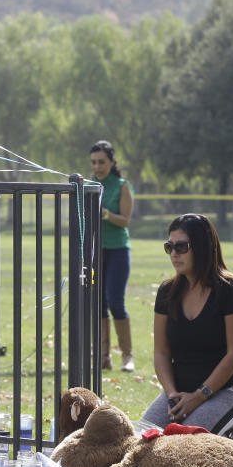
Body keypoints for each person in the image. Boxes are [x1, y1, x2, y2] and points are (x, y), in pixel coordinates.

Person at [141, 213, 233, 451]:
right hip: (179, 392)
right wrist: (173, 394)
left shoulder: (230, 290)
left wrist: (200, 395)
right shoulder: (166, 291)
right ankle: (231, 428)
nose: (174, 254)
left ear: (203, 247)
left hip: (224, 388)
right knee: (140, 443)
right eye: (169, 247)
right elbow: (161, 352)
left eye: (181, 247)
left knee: (183, 448)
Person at [90, 140, 135, 372]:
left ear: (112, 162)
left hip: (118, 250)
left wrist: (106, 215)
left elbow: (125, 220)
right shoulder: (88, 185)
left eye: (102, 162)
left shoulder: (121, 185)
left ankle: (127, 356)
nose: (97, 167)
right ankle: (102, 357)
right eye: (94, 162)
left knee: (116, 302)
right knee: (99, 305)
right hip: (96, 252)